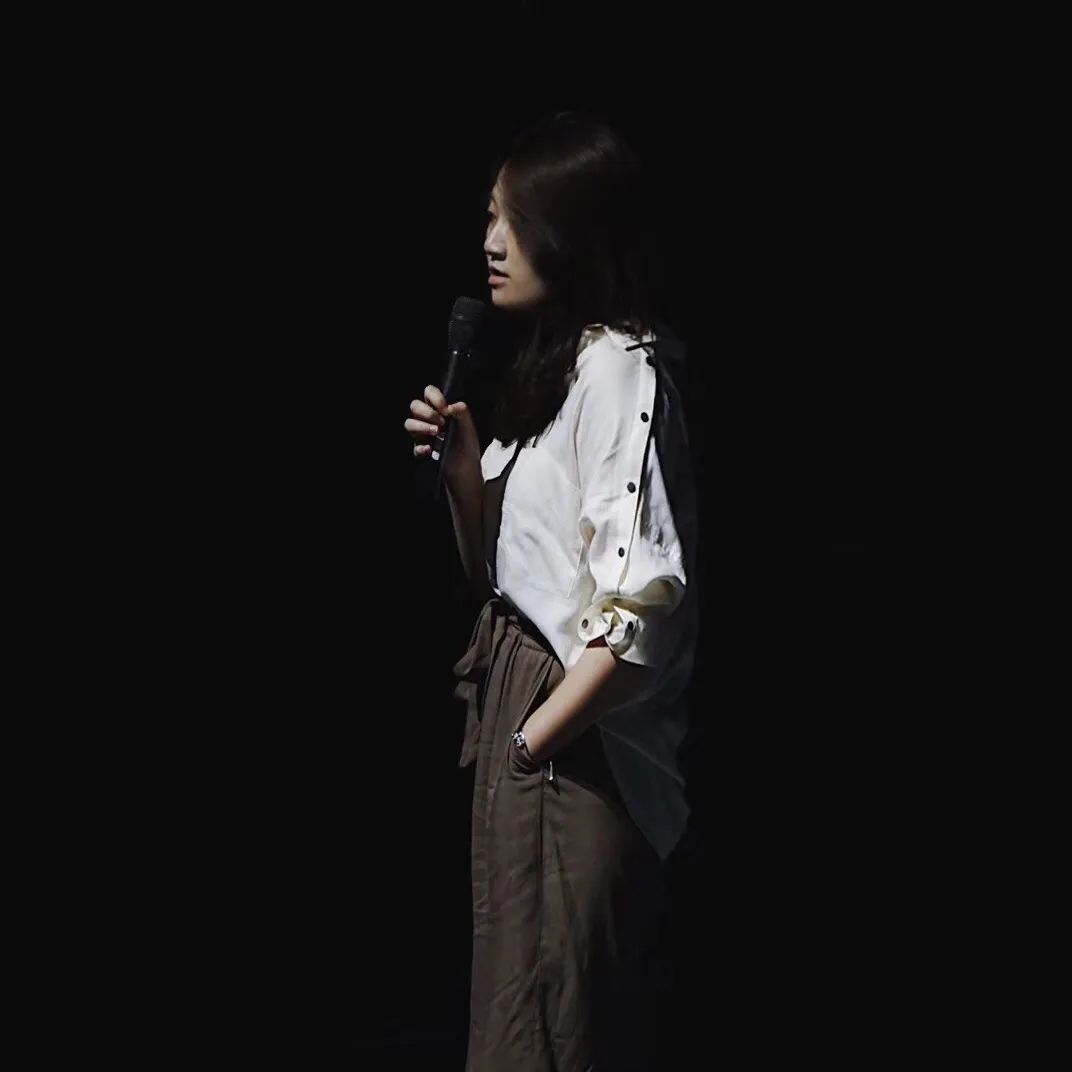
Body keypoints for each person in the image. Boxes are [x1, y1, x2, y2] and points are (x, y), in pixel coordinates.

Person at [404, 111, 698, 1072]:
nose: (492, 242)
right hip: (530, 735)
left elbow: (643, 613)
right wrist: (464, 476)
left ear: (572, 233)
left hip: (573, 753)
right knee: (514, 1020)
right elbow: (503, 577)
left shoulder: (618, 370)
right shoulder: (559, 369)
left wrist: (533, 740)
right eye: (489, 216)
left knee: (555, 1030)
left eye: (515, 219)